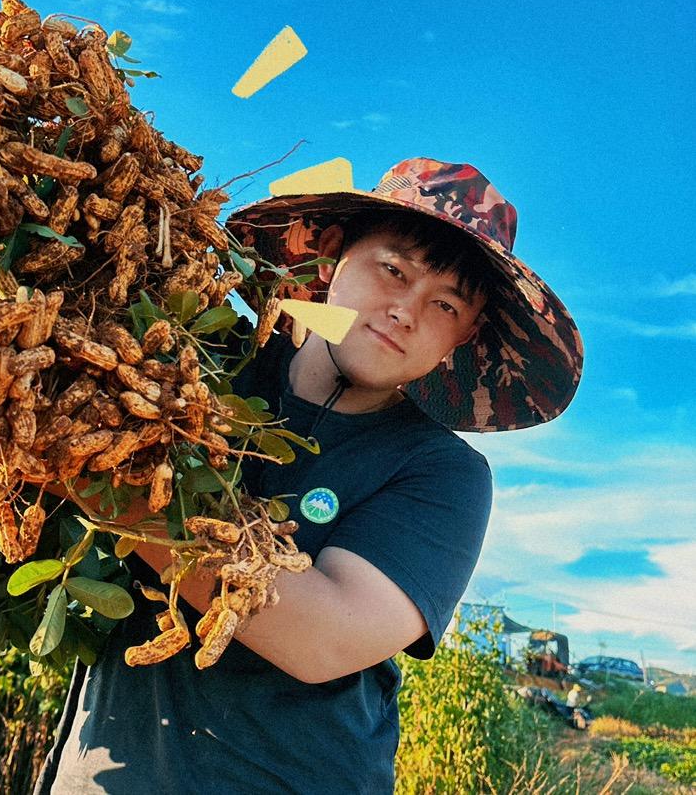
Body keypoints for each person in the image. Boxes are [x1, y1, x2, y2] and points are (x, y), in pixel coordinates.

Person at [35, 157, 583, 794]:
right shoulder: (201, 363)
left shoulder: (443, 475)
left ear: (463, 338)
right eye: (393, 269)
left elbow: (322, 637)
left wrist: (82, 466)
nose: (405, 310)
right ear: (330, 256)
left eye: (444, 303)